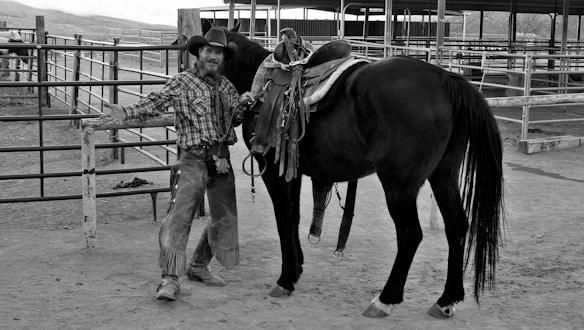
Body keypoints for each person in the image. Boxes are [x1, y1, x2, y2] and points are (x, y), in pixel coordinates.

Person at [100, 28, 254, 301]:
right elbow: (155, 103)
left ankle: (198, 265)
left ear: (223, 58)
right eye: (208, 51)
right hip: (192, 159)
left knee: (224, 218)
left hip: (221, 160)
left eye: (218, 53)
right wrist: (126, 112)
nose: (212, 57)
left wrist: (242, 104)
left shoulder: (228, 87)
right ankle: (169, 279)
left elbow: (235, 120)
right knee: (179, 218)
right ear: (199, 53)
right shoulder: (181, 82)